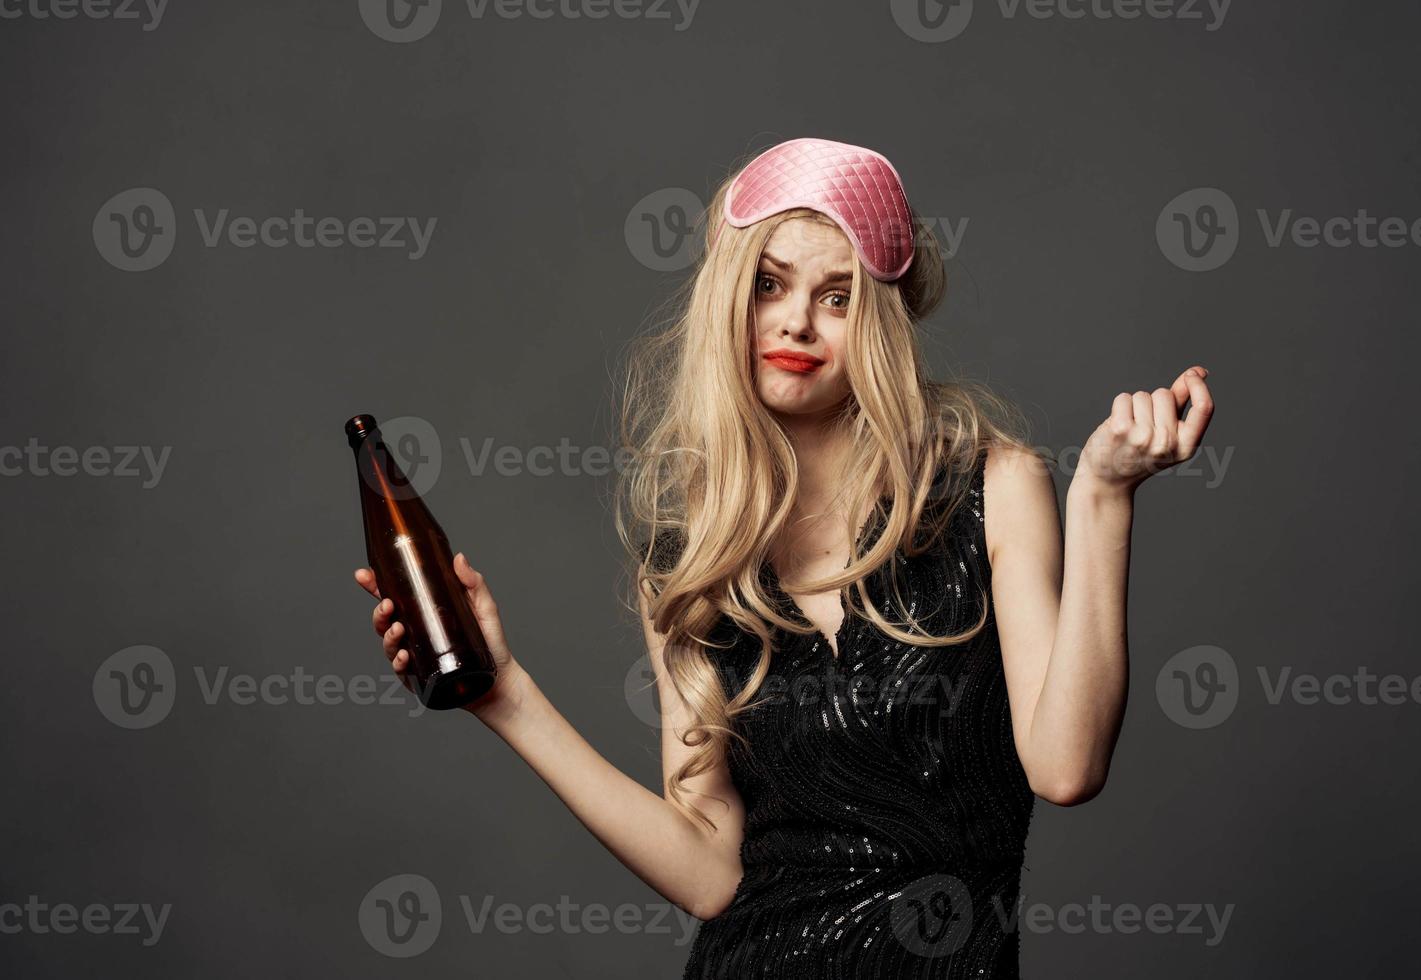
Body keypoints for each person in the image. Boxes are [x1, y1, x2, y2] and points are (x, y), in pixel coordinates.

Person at [353, 137, 1215, 978]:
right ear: (732, 295)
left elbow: (1065, 770)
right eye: (770, 285)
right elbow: (710, 870)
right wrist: (505, 697)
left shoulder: (991, 489)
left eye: (837, 297)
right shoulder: (689, 559)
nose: (796, 320)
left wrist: (1103, 498)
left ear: (876, 321)